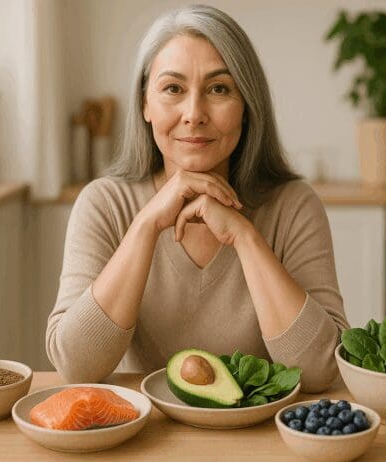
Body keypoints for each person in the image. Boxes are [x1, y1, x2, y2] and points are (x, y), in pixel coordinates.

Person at [47, 4, 349, 393]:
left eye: (219, 89)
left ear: (247, 106)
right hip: (143, 437)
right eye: (173, 89)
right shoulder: (104, 204)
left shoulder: (293, 206)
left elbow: (322, 369)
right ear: (145, 104)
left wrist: (245, 237)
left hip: (259, 441)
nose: (194, 113)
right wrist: (145, 225)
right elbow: (75, 366)